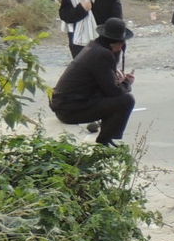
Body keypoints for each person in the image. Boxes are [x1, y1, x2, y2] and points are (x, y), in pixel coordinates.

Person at [50, 17, 136, 146]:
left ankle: (106, 137)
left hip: (65, 106)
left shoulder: (94, 47)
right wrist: (127, 83)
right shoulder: (103, 55)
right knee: (126, 100)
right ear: (119, 43)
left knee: (114, 98)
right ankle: (103, 141)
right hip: (70, 111)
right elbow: (113, 92)